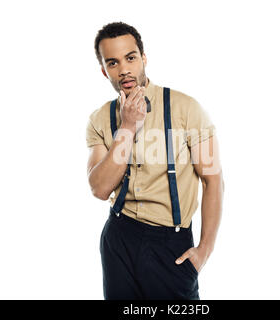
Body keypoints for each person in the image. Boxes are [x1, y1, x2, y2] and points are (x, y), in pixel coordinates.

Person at [86, 21, 224, 300]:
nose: (124, 69)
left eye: (131, 58)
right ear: (104, 70)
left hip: (170, 242)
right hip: (119, 236)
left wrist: (204, 250)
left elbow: (213, 181)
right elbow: (99, 189)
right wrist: (127, 127)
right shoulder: (100, 119)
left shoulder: (187, 109)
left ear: (144, 58)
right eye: (113, 63)